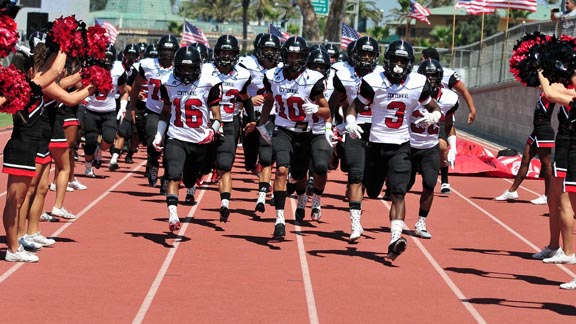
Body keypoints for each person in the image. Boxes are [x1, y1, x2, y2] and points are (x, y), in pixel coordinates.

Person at [348, 40, 441, 261]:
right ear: (387, 60)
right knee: (371, 190)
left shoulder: (418, 83)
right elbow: (355, 106)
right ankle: (358, 219)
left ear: (409, 63)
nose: (398, 65)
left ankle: (395, 238)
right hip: (376, 144)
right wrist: (351, 120)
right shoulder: (372, 81)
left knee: (399, 193)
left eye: (403, 61)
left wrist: (434, 115)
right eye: (395, 60)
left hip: (401, 145)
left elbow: (434, 106)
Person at [256, 36, 329, 237]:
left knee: (298, 175)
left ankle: (303, 195)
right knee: (280, 171)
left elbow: (327, 111)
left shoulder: (313, 79)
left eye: (298, 56)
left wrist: (315, 108)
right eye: (290, 55)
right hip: (283, 129)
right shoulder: (272, 75)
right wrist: (262, 122)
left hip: (306, 133)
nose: (294, 59)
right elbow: (269, 100)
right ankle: (280, 218)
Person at [2, 44, 67, 262]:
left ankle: (15, 245)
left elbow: (55, 71)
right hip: (21, 148)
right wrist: (66, 44)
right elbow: (56, 71)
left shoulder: (29, 89)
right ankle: (12, 249)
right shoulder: (27, 89)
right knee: (14, 200)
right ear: (29, 72)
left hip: (26, 148)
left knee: (18, 199)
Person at [153, 45, 222, 232]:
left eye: (190, 68)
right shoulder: (167, 82)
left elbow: (217, 116)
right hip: (176, 136)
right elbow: (166, 112)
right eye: (183, 68)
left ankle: (191, 183)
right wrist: (159, 135)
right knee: (173, 174)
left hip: (199, 140)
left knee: (190, 180)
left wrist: (212, 131)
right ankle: (173, 215)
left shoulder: (209, 82)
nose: (186, 72)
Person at [328, 37, 381, 242]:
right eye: (363, 53)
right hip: (354, 127)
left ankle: (368, 185)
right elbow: (333, 102)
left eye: (370, 54)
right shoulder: (344, 75)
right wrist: (329, 126)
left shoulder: (383, 76)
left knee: (374, 187)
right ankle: (355, 223)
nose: (366, 58)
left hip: (379, 131)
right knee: (355, 174)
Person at [208, 35, 256, 222]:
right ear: (216, 53)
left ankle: (225, 203)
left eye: (229, 52)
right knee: (202, 164)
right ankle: (191, 185)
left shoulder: (242, 75)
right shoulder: (206, 71)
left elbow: (246, 99)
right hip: (206, 124)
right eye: (223, 52)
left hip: (229, 123)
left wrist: (251, 120)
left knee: (225, 165)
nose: (226, 56)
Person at [408, 59, 459, 239]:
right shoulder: (412, 91)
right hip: (408, 144)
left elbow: (449, 124)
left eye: (433, 76)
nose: (430, 79)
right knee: (403, 186)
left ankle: (421, 221)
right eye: (426, 76)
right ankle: (398, 222)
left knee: (430, 183)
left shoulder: (448, 98)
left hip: (430, 145)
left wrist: (453, 146)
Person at [536, 69, 576, 289]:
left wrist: (541, 72)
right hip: (567, 151)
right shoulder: (571, 92)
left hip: (573, 153)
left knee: (568, 203)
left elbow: (551, 94)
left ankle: (568, 251)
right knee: (560, 200)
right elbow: (554, 90)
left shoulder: (573, 96)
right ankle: (557, 247)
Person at [421, 47, 476, 194]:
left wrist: (472, 109)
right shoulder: (418, 75)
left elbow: (463, 90)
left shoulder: (448, 77)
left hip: (441, 110)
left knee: (442, 147)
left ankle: (444, 179)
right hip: (421, 111)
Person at [237, 34, 281, 213]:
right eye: (266, 49)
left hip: (270, 116)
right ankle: (259, 172)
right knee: (249, 161)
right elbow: (235, 88)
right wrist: (248, 100)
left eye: (273, 50)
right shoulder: (247, 64)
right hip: (250, 115)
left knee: (266, 155)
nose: (269, 53)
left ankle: (263, 191)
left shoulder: (282, 68)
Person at [127, 34, 179, 187]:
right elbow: (137, 85)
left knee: (171, 148)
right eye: (164, 50)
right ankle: (153, 163)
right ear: (159, 50)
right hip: (154, 110)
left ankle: (167, 178)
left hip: (173, 114)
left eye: (171, 51)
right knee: (152, 141)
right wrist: (132, 106)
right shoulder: (148, 65)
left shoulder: (181, 67)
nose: (167, 54)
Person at [494, 93, 554, 205]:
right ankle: (512, 191)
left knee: (546, 164)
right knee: (525, 159)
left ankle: (548, 195)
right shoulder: (543, 92)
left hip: (544, 132)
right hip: (536, 131)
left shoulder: (551, 92)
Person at [82, 45, 122, 178]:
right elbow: (81, 84)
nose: (106, 59)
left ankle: (100, 150)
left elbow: (124, 90)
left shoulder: (118, 70)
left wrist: (123, 107)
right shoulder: (91, 69)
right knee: (90, 141)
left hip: (109, 111)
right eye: (104, 56)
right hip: (92, 109)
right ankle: (88, 166)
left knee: (109, 139)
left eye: (109, 57)